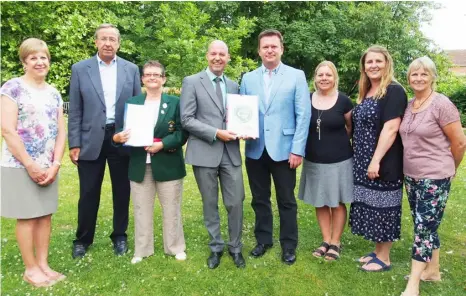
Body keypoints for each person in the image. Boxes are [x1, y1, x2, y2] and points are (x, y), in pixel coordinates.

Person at [68, 23, 142, 258]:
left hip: (121, 138)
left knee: (122, 191)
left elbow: (137, 106)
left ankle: (119, 236)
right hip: (90, 140)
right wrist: (74, 143)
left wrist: (136, 137)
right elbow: (76, 110)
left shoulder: (131, 69)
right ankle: (83, 239)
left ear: (119, 43)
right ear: (96, 42)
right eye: (103, 39)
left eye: (112, 39)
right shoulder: (80, 69)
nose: (108, 43)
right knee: (88, 192)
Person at [240, 29, 311, 265]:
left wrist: (297, 149)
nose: (269, 50)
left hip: (285, 149)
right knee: (259, 198)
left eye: (274, 46)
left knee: (286, 199)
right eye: (265, 47)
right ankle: (263, 240)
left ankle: (289, 245)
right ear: (259, 51)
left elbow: (303, 115)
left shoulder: (296, 76)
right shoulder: (248, 78)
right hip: (255, 148)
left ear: (282, 49)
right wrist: (241, 128)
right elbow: (243, 111)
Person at [1, 38, 66, 287]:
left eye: (43, 57)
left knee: (44, 215)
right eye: (33, 58)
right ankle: (30, 269)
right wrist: (30, 164)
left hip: (48, 166)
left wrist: (56, 164)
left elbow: (61, 132)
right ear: (24, 62)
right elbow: (7, 130)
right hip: (20, 165)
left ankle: (44, 264)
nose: (40, 62)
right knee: (27, 217)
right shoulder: (12, 88)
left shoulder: (53, 92)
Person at [399, 57, 466, 296]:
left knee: (423, 229)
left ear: (432, 77)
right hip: (412, 175)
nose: (418, 78)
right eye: (414, 74)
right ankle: (433, 271)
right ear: (409, 78)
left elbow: (459, 142)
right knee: (426, 224)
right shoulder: (409, 105)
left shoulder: (441, 104)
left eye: (423, 74)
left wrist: (451, 168)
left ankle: (413, 284)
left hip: (435, 176)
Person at [113, 61, 188, 264]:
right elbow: (121, 130)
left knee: (171, 207)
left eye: (156, 74)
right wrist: (118, 138)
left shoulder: (175, 102)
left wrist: (162, 144)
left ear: (164, 78)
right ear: (142, 79)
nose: (152, 78)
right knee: (141, 208)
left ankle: (175, 247)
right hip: (140, 164)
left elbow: (182, 132)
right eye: (148, 75)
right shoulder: (133, 103)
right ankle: (142, 249)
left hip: (168, 162)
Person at [180, 40, 246, 269]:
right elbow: (186, 119)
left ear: (228, 58)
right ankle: (216, 247)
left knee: (236, 202)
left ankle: (236, 247)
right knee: (210, 203)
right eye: (214, 53)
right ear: (207, 56)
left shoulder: (234, 85)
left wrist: (245, 130)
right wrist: (216, 133)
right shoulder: (191, 82)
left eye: (222, 54)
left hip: (231, 154)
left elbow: (240, 117)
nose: (218, 57)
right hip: (204, 152)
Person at [349, 45, 407, 272]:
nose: (373, 65)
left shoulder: (394, 91)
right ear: (364, 67)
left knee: (384, 206)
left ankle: (384, 258)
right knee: (372, 205)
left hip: (383, 160)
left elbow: (391, 128)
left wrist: (375, 160)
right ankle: (377, 251)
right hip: (363, 158)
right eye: (369, 62)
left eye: (378, 61)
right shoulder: (367, 91)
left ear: (387, 64)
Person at [297, 61, 353, 261]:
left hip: (339, 160)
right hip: (313, 159)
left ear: (334, 77)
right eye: (320, 75)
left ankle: (336, 242)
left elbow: (349, 127)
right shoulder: (306, 99)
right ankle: (326, 239)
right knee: (319, 201)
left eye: (328, 75)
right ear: (315, 78)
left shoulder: (344, 101)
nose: (324, 78)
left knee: (336, 202)